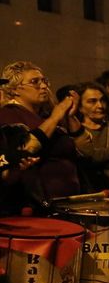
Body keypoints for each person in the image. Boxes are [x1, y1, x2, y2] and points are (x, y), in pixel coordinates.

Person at [0, 61, 82, 206]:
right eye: (35, 82)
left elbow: (83, 152)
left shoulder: (44, 116)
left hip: (68, 200)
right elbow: (24, 149)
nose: (44, 86)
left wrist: (70, 117)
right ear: (14, 89)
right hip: (39, 203)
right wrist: (55, 117)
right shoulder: (9, 114)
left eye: (44, 81)